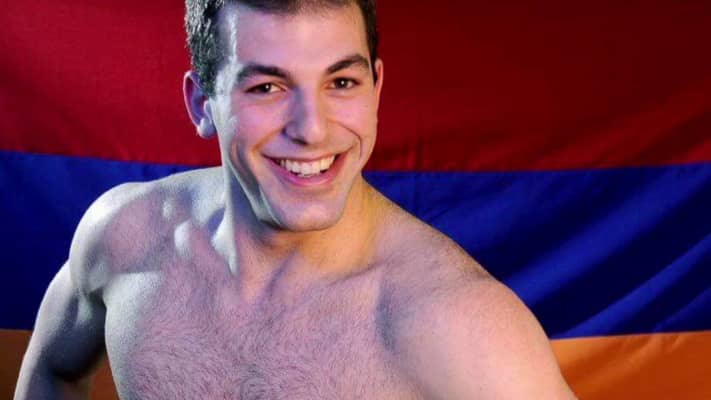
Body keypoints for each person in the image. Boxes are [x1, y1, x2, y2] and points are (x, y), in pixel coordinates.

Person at [15, 0, 576, 398]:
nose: (312, 129)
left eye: (342, 83)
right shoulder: (126, 237)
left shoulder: (463, 326)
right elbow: (53, 373)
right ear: (202, 103)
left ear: (377, 88)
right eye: (267, 87)